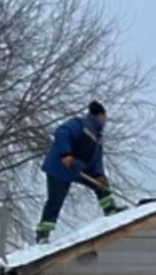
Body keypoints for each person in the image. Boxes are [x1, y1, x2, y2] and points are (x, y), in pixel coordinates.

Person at [35, 100, 123, 243]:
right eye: (105, 117)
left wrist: (99, 175)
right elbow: (61, 132)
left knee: (100, 185)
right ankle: (43, 233)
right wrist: (65, 154)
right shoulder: (80, 124)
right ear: (99, 115)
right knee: (55, 201)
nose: (106, 121)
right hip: (60, 167)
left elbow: (96, 160)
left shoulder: (98, 137)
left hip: (78, 168)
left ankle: (110, 208)